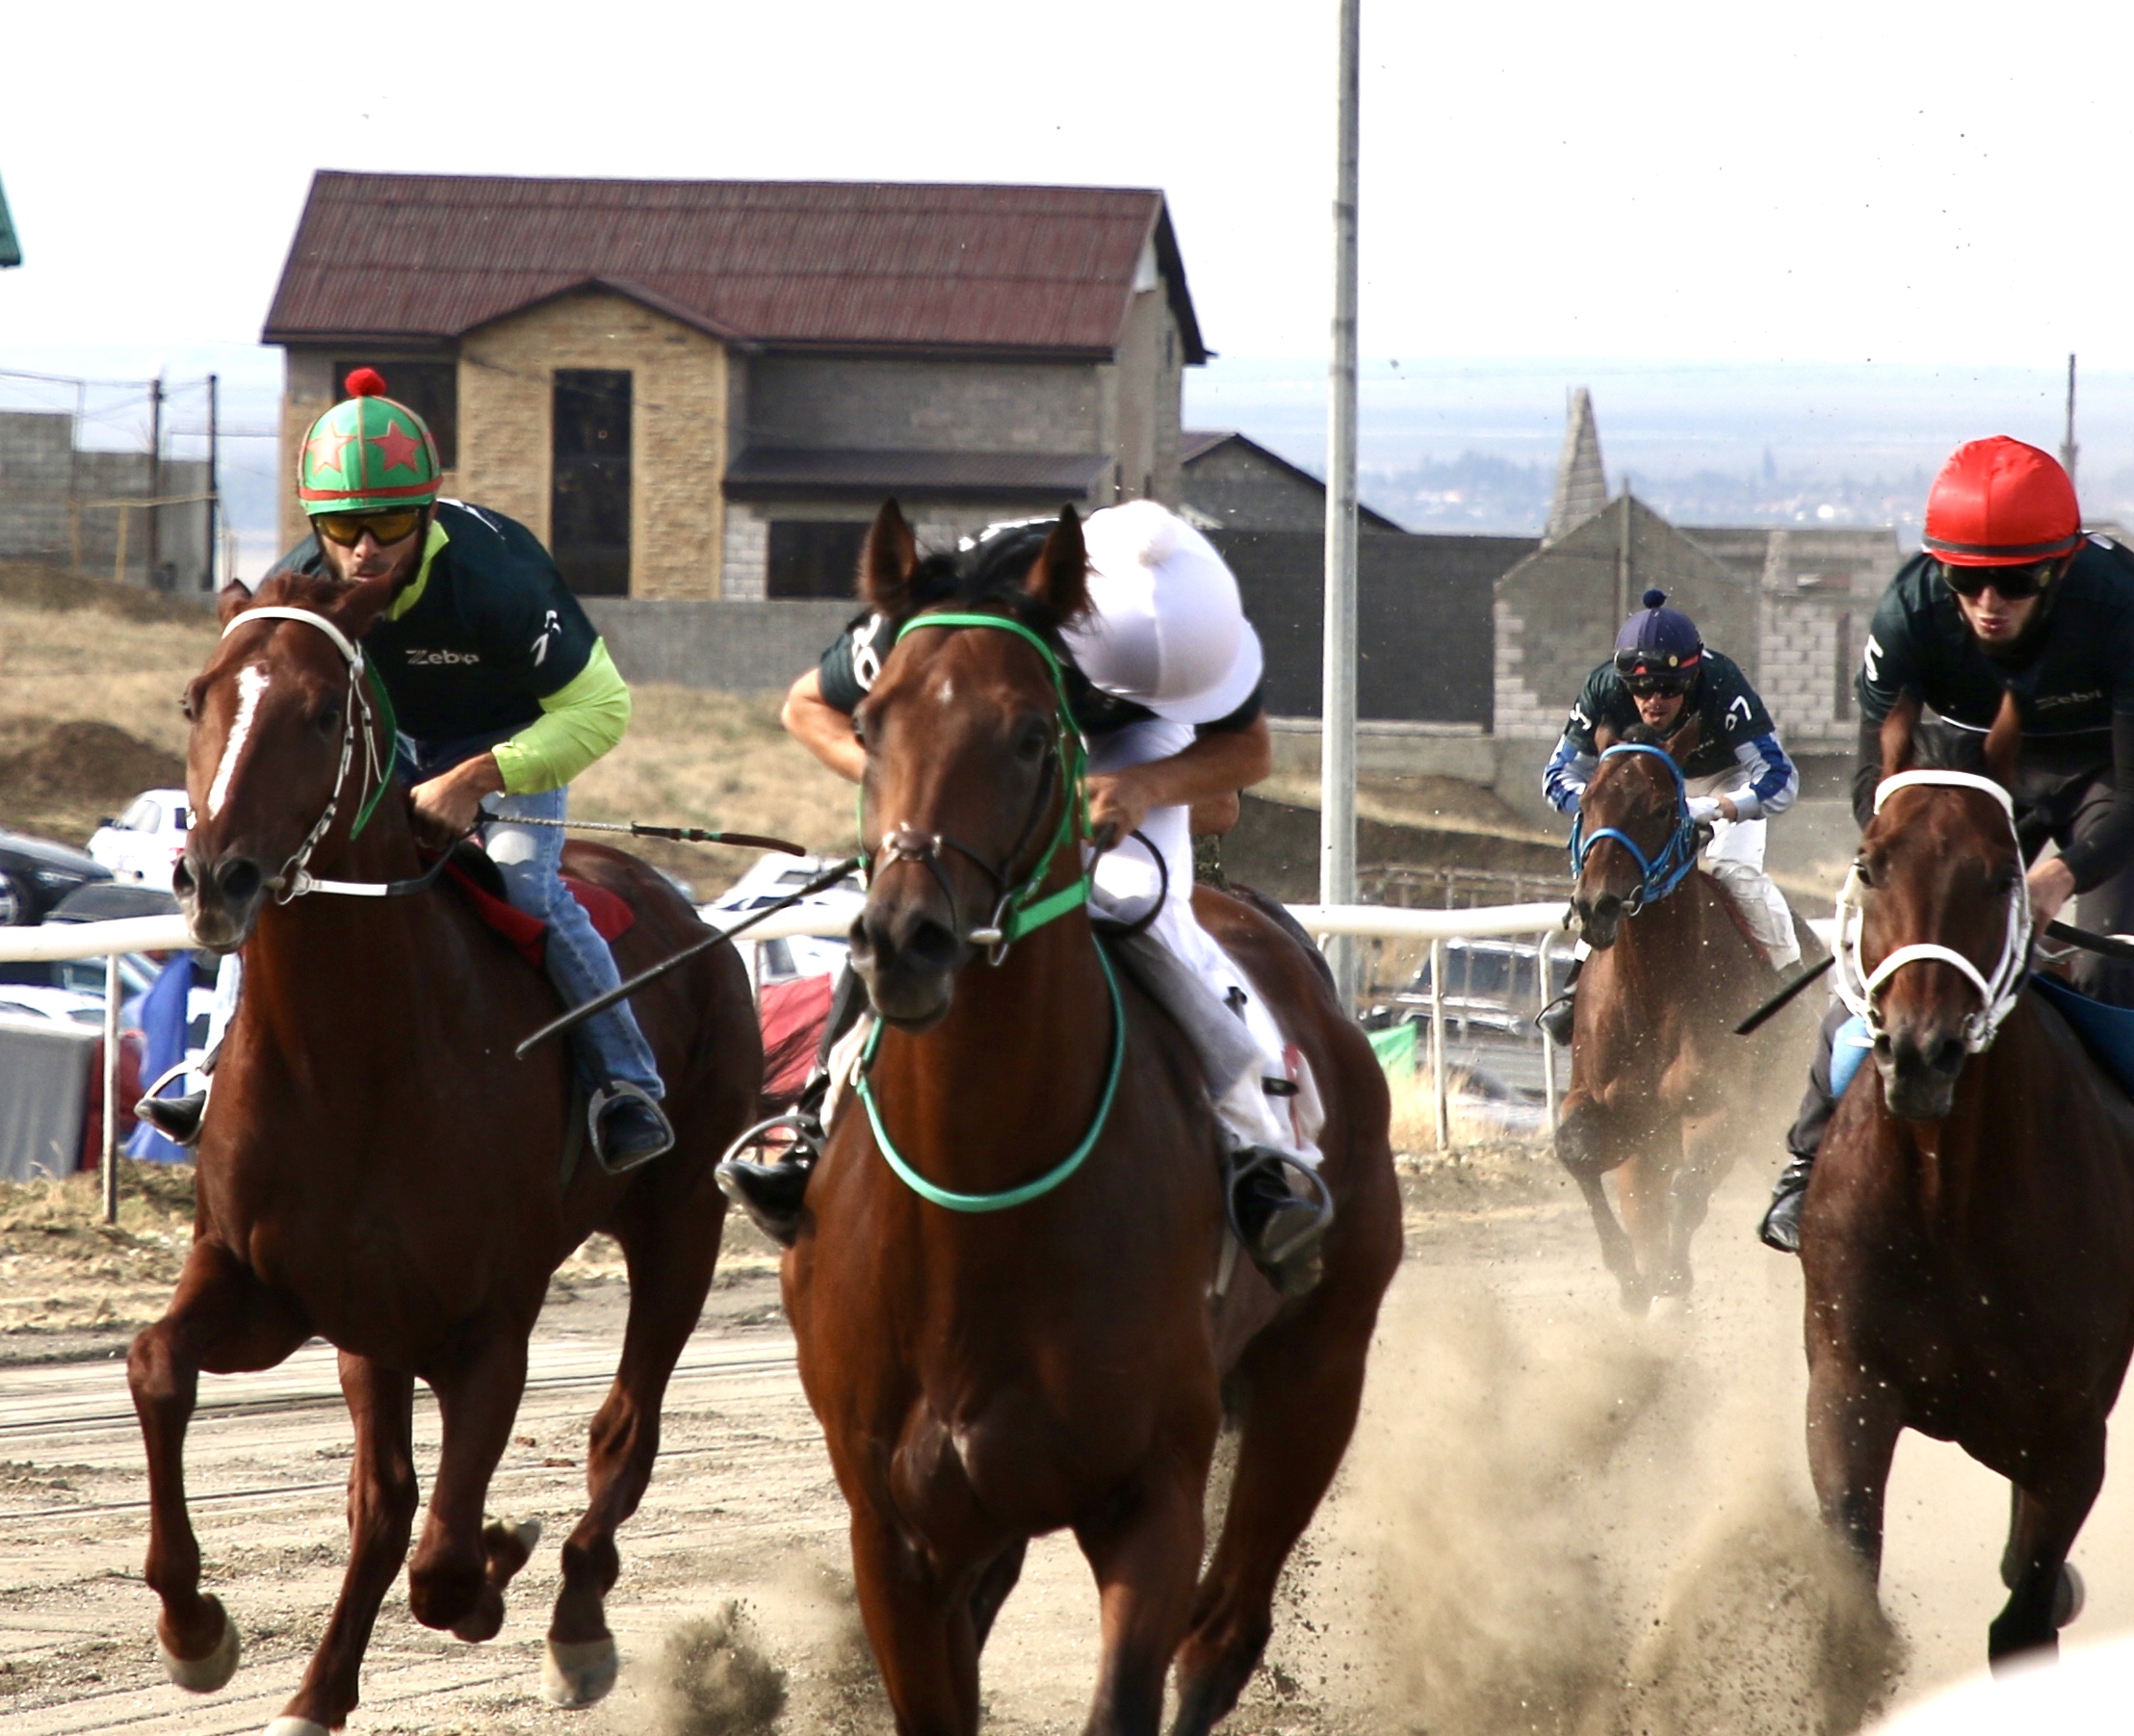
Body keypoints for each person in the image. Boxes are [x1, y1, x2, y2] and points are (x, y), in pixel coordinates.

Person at [716, 504, 1335, 1289]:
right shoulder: (925, 624)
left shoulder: (1189, 627)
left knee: (1138, 894)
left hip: (1123, 744)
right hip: (982, 721)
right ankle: (812, 1118)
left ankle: (1258, 1146)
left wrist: (1144, 783)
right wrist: (902, 784)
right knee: (907, 902)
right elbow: (804, 707)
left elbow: (1243, 761)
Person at [137, 369, 671, 1170]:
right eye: (342, 523)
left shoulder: (499, 575)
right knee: (280, 874)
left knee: (525, 885)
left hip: (508, 742)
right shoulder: (305, 586)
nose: (364, 547)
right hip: (385, 748)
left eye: (388, 519)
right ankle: (210, 1071)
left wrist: (475, 779)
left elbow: (602, 709)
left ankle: (627, 1084)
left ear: (427, 508)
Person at [1754, 436, 2134, 1281]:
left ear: (2057, 570)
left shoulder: (2123, 603)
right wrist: (1906, 855)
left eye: (2016, 581)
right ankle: (1806, 1161)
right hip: (1975, 775)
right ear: (1939, 571)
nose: (1989, 602)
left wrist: (2061, 874)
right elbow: (1869, 783)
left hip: (2105, 777)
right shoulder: (1907, 611)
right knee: (1894, 973)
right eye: (1968, 580)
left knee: (2113, 975)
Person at [1534, 588, 1803, 1042]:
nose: (1653, 701)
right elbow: (1557, 775)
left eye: (1670, 688)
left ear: (1692, 677)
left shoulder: (1721, 682)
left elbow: (1780, 777)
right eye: (1640, 688)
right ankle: (1576, 987)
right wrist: (1602, 801)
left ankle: (1790, 987)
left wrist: (1720, 807)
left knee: (1730, 868)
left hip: (1721, 781)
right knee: (1608, 871)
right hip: (1638, 790)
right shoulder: (1602, 688)